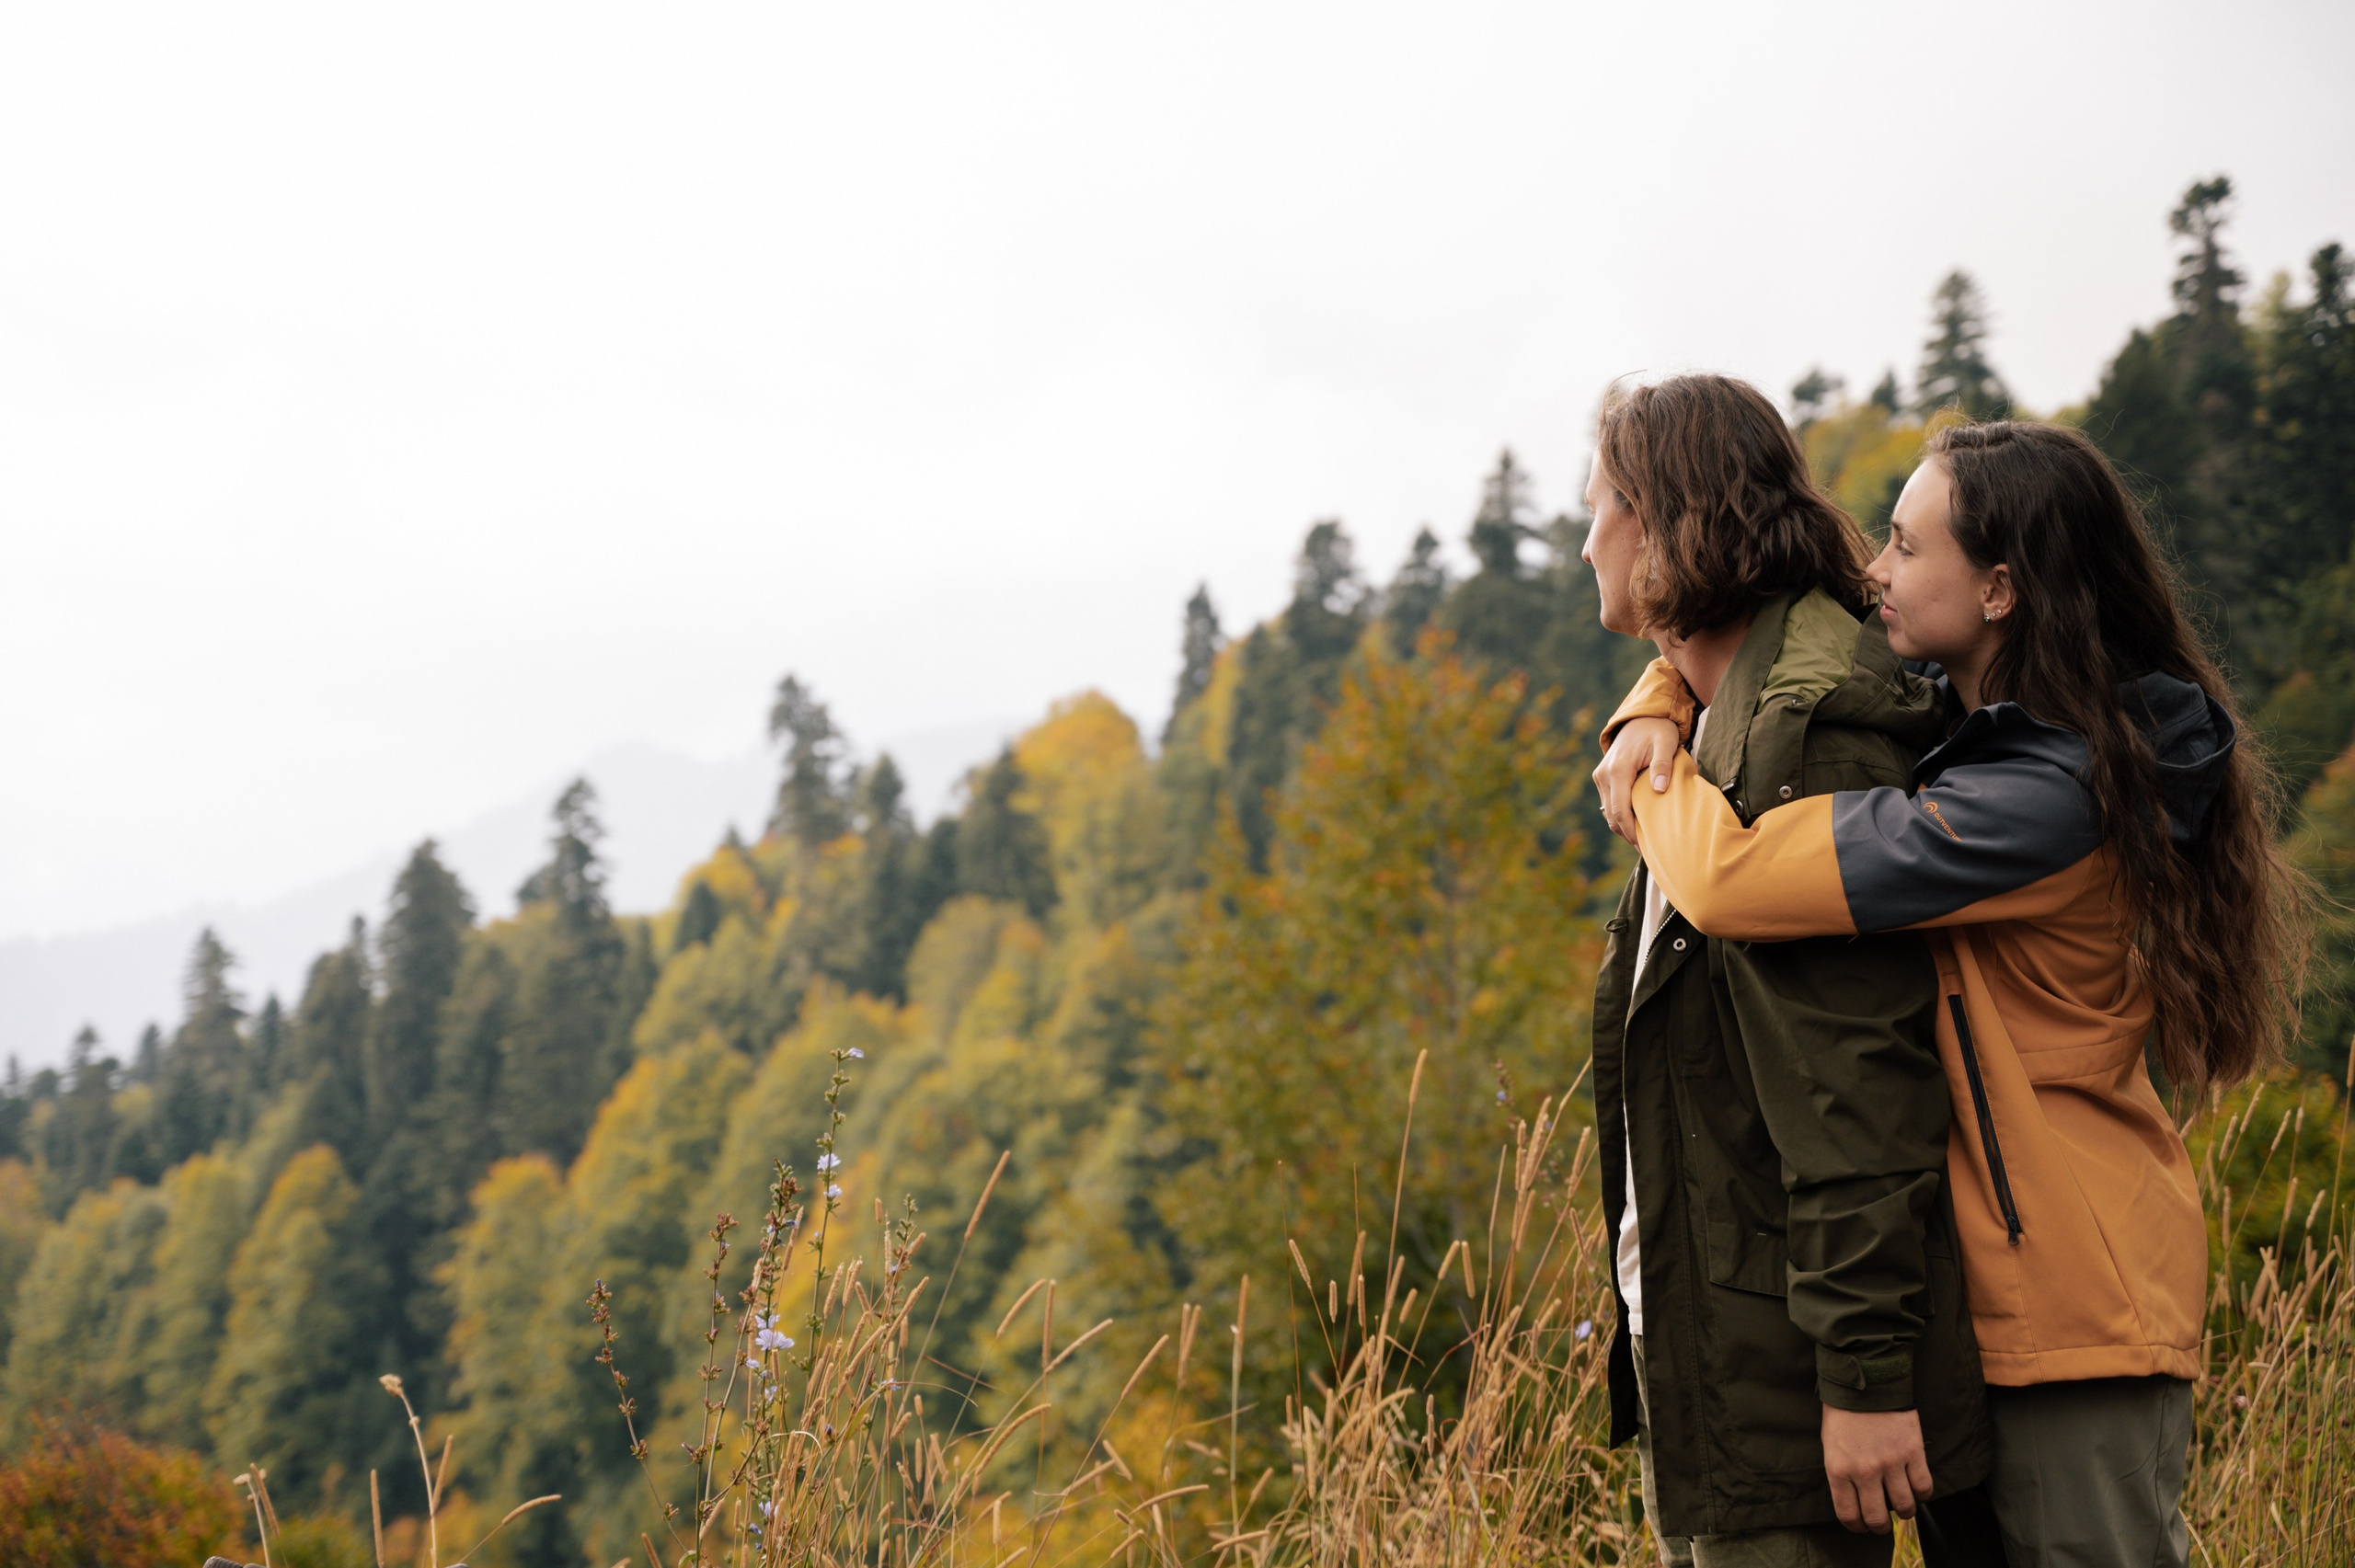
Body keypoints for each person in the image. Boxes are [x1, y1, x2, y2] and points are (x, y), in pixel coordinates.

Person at [1595, 418, 2304, 1568]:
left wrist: (1647, 769)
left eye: (1907, 544)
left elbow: (1733, 877)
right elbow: (1746, 647)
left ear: (1998, 590)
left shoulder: (2055, 792)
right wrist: (1659, 695)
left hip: (2075, 1307)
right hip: (1986, 1302)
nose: (1875, 567)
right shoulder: (1983, 737)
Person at [1579, 374, 1993, 1567]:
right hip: (1739, 1355)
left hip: (1794, 1377)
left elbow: (1852, 1090)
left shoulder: (1800, 733)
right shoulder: (1724, 704)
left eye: (1602, 502)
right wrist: (1654, 697)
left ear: (1665, 525)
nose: (1583, 534)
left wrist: (1862, 1376)